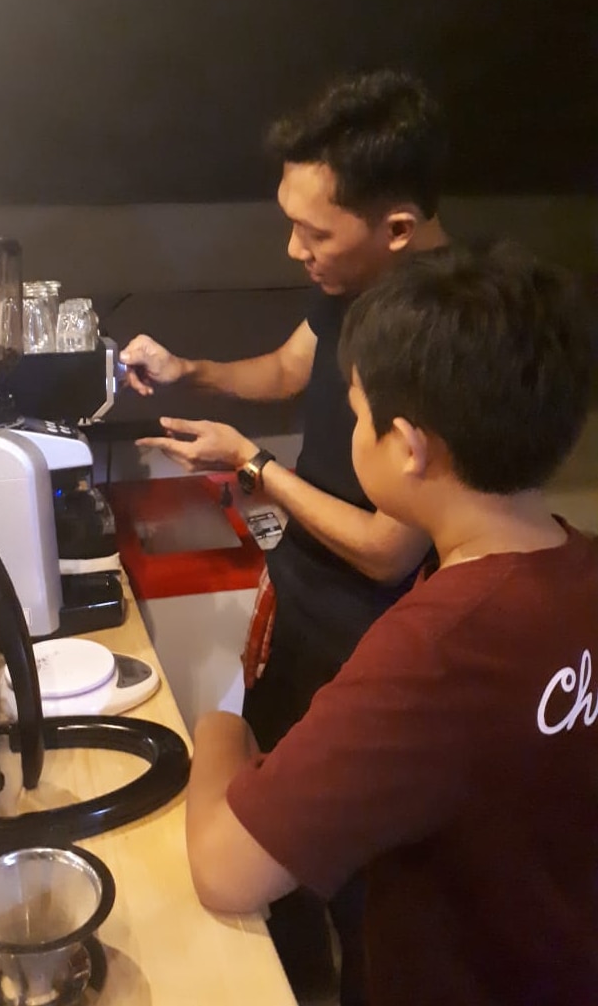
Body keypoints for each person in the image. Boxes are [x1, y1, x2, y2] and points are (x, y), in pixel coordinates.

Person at [184, 240, 598, 1006]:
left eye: (355, 414)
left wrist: (217, 728)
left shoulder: (435, 649)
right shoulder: (576, 569)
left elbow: (223, 869)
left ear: (406, 446)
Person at [120, 68, 448, 1000]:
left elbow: (392, 546)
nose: (294, 246)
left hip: (369, 625)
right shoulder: (349, 280)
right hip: (304, 592)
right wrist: (193, 370)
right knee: (267, 826)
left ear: (396, 227)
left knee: (345, 860)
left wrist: (252, 468)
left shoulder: (437, 332)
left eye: (314, 230)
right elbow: (283, 368)